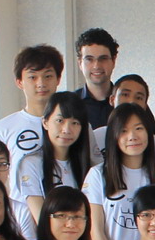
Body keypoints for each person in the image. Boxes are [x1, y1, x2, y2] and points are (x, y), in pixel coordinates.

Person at [83, 102, 155, 240]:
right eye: (123, 131)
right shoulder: (98, 175)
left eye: (139, 128)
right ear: (114, 136)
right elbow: (95, 230)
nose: (132, 137)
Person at [14, 91, 95, 222]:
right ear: (45, 122)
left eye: (75, 123)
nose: (66, 130)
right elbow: (41, 219)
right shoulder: (31, 164)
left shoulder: (89, 167)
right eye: (60, 121)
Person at [0, 45, 64, 182]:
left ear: (58, 79)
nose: (41, 83)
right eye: (32, 77)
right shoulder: (2, 130)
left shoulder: (75, 124)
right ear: (19, 82)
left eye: (48, 76)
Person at [91, 74, 155, 165]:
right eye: (125, 95)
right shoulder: (95, 137)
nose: (131, 101)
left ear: (145, 105)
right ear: (112, 99)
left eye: (138, 97)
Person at [73, 28, 118, 129]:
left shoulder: (128, 100)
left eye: (103, 58)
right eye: (89, 59)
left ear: (113, 61)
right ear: (80, 63)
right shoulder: (70, 104)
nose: (96, 66)